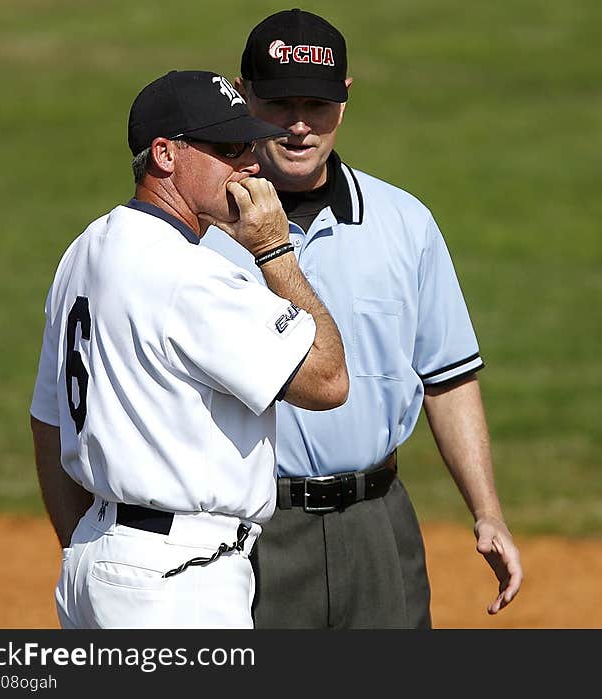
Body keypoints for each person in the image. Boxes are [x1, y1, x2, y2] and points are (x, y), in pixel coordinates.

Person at [202, 9, 522, 628]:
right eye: (278, 104)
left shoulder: (405, 222)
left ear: (344, 102)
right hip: (246, 532)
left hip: (379, 527)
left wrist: (487, 510)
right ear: (242, 97)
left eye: (316, 106)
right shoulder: (199, 235)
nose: (299, 126)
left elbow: (447, 376)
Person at [29, 69, 349, 629]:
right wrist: (274, 249)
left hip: (97, 563)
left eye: (250, 144)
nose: (251, 163)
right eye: (229, 148)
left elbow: (47, 421)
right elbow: (327, 381)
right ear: (165, 155)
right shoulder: (189, 276)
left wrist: (97, 546)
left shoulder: (84, 251)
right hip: (178, 582)